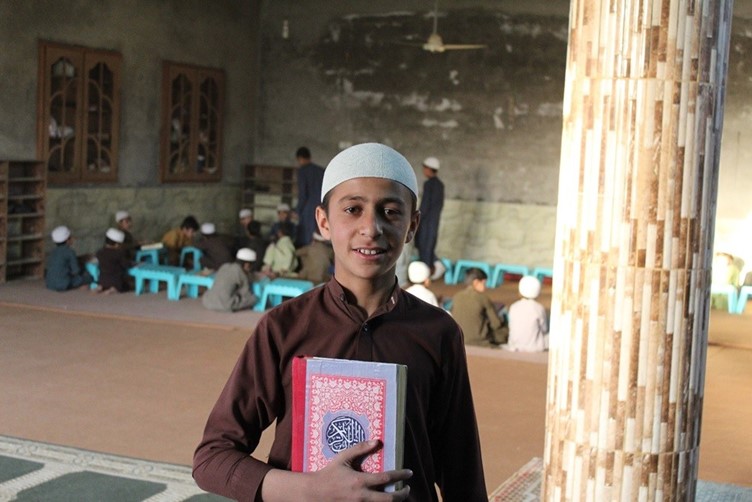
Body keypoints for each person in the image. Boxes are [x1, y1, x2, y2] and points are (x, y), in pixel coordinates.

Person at [193, 142, 486, 501]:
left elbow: (462, 472)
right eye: (352, 209)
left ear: (413, 225)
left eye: (391, 212)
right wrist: (308, 489)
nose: (371, 228)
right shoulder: (284, 327)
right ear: (324, 221)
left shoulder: (438, 333)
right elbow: (212, 459)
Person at [451, 267, 508, 347]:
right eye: (484, 283)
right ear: (476, 282)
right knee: (504, 330)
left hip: (459, 338)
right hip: (479, 341)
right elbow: (496, 324)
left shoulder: (456, 296)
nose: (485, 286)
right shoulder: (483, 298)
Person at [414, 156, 445, 281]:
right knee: (429, 246)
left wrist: (417, 219)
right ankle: (436, 265)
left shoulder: (429, 184)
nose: (423, 170)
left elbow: (425, 205)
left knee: (424, 247)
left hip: (426, 223)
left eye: (424, 168)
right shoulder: (440, 185)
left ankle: (425, 275)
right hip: (434, 222)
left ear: (429, 169)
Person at [201, 248, 258, 312]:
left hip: (208, 301)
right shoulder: (241, 272)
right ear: (247, 265)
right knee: (253, 298)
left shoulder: (224, 266)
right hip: (225, 305)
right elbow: (245, 294)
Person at [506, 275, 549, 352]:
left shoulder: (514, 306)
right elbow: (544, 329)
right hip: (535, 347)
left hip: (514, 346)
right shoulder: (539, 308)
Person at [294, 146, 325, 247]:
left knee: (305, 237)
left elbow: (303, 194)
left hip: (308, 209)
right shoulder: (321, 171)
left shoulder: (302, 172)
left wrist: (297, 211)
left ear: (300, 158)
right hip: (322, 207)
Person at [45, 225, 91, 292]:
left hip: (49, 284)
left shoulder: (53, 252)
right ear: (67, 240)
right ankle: (80, 286)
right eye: (71, 237)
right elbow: (76, 271)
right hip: (63, 284)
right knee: (88, 277)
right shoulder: (70, 252)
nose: (72, 238)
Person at [95, 228, 134, 294]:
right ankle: (113, 289)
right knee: (126, 286)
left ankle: (100, 287)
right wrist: (132, 264)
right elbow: (126, 265)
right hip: (115, 281)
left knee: (104, 276)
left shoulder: (99, 252)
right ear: (116, 244)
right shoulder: (119, 253)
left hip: (102, 280)